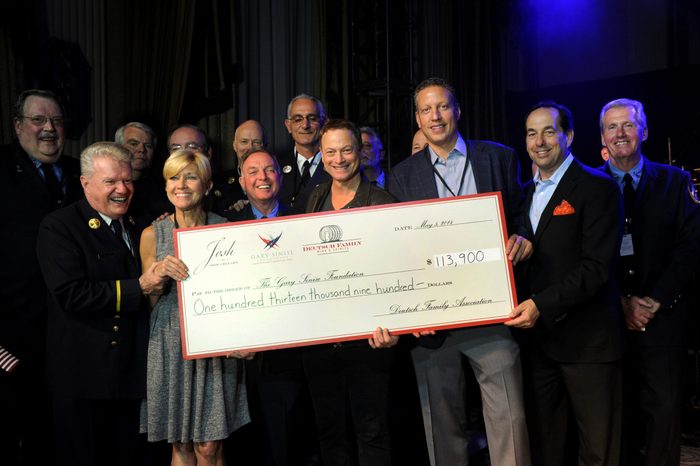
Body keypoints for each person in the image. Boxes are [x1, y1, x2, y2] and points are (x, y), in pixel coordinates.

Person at [387, 77, 532, 466]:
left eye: (443, 106)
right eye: (426, 109)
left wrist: (522, 238)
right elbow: (399, 250)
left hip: (493, 312)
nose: (436, 116)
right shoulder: (402, 175)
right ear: (417, 118)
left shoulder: (498, 157)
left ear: (457, 110)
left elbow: (521, 215)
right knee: (443, 431)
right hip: (435, 323)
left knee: (510, 421)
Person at [36, 141, 179, 466]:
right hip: (85, 380)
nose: (122, 189)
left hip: (131, 376)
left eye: (127, 180)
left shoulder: (137, 224)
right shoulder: (60, 227)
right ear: (85, 182)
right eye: (111, 181)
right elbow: (71, 294)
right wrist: (139, 287)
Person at [507, 101, 624, 465]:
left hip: (589, 343)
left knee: (597, 450)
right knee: (547, 447)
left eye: (548, 131)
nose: (539, 141)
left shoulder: (598, 187)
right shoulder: (522, 193)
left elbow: (596, 268)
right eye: (531, 133)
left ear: (568, 136)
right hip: (539, 345)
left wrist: (541, 304)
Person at [599, 98, 700, 465]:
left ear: (644, 131)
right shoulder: (590, 185)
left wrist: (653, 301)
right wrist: (622, 302)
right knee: (616, 419)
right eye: (612, 127)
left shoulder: (676, 181)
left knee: (664, 416)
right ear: (602, 137)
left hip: (664, 321)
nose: (620, 133)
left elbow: (691, 247)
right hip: (608, 322)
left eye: (628, 125)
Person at [139, 150, 249, 466]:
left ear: (207, 184)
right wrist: (158, 273)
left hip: (216, 342)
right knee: (182, 444)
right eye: (174, 177)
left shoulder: (226, 228)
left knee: (210, 446)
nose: (181, 185)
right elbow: (149, 298)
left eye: (191, 177)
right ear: (165, 186)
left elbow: (241, 293)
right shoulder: (152, 233)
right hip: (170, 340)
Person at [303, 118, 398, 466]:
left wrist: (394, 327)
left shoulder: (382, 202)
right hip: (322, 343)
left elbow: (398, 269)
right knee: (330, 435)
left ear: (359, 151)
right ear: (321, 155)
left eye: (346, 149)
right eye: (330, 152)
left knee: (372, 433)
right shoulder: (315, 198)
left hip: (369, 342)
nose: (339, 159)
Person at [0, 89, 82, 466]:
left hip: (70, 341)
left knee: (61, 443)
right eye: (38, 120)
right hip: (11, 345)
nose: (49, 129)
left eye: (56, 121)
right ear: (18, 126)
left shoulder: (80, 171)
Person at [279, 93, 331, 210]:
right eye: (298, 119)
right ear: (288, 126)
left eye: (312, 118)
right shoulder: (275, 165)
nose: (305, 125)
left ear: (325, 123)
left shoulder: (336, 164)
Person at [115, 121, 169, 233]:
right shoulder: (106, 187)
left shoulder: (166, 189)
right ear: (118, 148)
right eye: (134, 144)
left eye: (148, 146)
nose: (141, 150)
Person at [211, 120, 267, 216]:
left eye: (257, 142)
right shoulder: (218, 182)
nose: (250, 148)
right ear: (234, 145)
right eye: (244, 142)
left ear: (265, 145)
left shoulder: (274, 179)